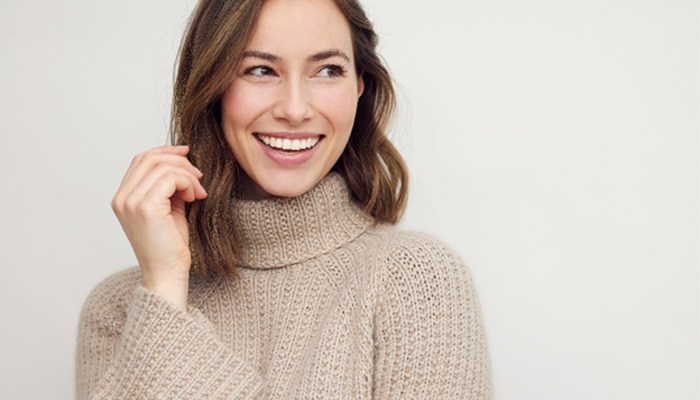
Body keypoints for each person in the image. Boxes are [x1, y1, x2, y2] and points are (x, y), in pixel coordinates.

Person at [75, 0, 493, 398]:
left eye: (328, 70)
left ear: (360, 86)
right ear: (211, 86)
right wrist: (165, 284)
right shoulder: (121, 309)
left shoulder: (418, 280)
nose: (295, 109)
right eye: (260, 70)